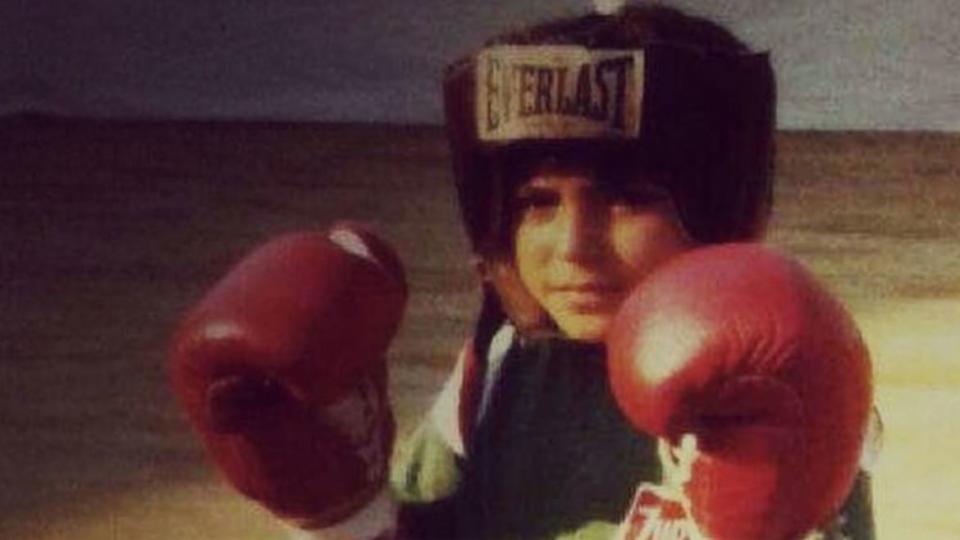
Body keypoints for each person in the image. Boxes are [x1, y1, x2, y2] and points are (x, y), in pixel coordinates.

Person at [169, 3, 878, 539]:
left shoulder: (786, 384)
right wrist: (342, 511)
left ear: (716, 209)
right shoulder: (505, 365)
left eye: (630, 200)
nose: (573, 245)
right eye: (538, 202)